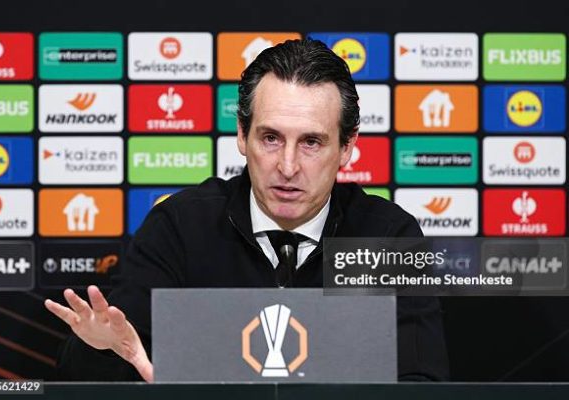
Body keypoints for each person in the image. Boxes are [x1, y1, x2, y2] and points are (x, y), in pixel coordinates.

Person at [45, 38, 449, 382]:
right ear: (242, 135)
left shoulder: (386, 237)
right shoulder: (181, 227)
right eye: (271, 138)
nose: (287, 166)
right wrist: (99, 352)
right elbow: (100, 373)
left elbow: (421, 383)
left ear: (347, 147)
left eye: (311, 142)